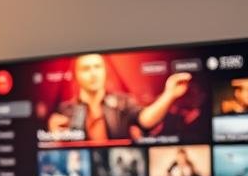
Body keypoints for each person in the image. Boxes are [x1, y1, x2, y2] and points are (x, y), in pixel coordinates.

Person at [47, 53, 192, 141]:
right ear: (76, 75)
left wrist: (169, 94)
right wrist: (53, 138)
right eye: (86, 68)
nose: (93, 73)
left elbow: (146, 120)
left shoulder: (123, 101)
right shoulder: (64, 110)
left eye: (97, 67)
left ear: (104, 70)